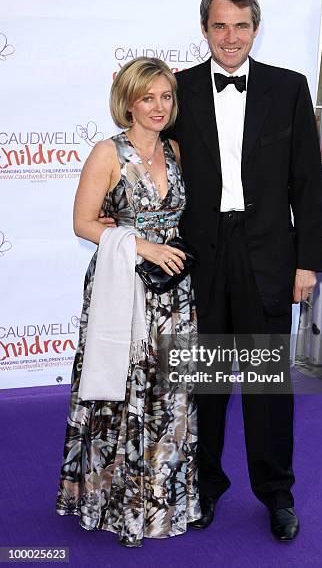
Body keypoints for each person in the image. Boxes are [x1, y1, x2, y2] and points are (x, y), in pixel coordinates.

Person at [168, 0, 322, 541]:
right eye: (219, 25)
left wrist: (307, 263)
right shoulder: (179, 90)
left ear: (255, 29)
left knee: (266, 384)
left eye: (240, 25)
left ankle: (277, 494)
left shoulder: (288, 88)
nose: (230, 37)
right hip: (203, 256)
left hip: (267, 254)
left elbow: (307, 184)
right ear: (204, 30)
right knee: (208, 383)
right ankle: (205, 488)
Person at [56, 57, 201, 547]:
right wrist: (142, 246)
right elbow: (83, 222)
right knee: (120, 387)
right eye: (148, 97)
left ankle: (162, 501)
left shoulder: (176, 151)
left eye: (165, 97)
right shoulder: (107, 153)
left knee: (168, 395)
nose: (158, 107)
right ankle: (117, 504)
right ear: (129, 102)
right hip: (125, 288)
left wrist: (173, 251)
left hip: (174, 292)